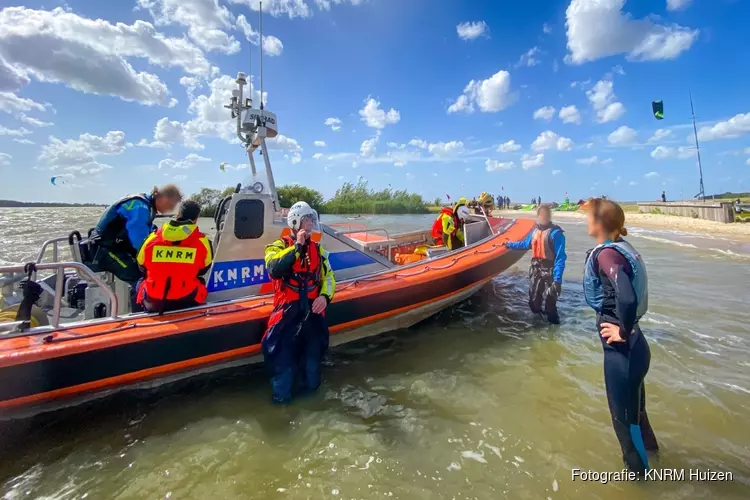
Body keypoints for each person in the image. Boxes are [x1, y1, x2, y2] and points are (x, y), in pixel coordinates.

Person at [583, 198, 658, 473]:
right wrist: (629, 331)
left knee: (626, 430)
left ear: (599, 223)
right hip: (637, 347)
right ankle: (658, 465)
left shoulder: (606, 254)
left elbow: (626, 298)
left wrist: (621, 331)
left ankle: (641, 483)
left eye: (588, 216)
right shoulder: (620, 248)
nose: (585, 221)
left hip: (622, 354)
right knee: (638, 420)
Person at [262, 201, 336, 404]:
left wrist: (325, 297)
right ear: (295, 222)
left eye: (311, 219)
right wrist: (297, 247)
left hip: (311, 313)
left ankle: (311, 402)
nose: (310, 223)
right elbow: (274, 268)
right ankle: (281, 403)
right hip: (287, 314)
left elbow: (329, 277)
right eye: (306, 219)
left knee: (312, 362)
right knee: (281, 362)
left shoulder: (319, 251)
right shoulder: (277, 247)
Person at [90, 185, 183, 289]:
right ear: (163, 197)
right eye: (172, 203)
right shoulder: (141, 208)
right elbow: (140, 241)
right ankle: (142, 303)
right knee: (139, 276)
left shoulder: (146, 204)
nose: (172, 208)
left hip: (117, 247)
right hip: (105, 249)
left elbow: (150, 234)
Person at [135, 200, 213, 313]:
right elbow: (203, 269)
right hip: (186, 299)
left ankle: (139, 314)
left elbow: (141, 265)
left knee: (141, 280)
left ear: (177, 215)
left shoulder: (152, 237)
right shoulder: (203, 241)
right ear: (196, 219)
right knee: (200, 280)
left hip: (153, 301)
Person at [504, 205, 566, 324]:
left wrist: (557, 281)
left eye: (546, 215)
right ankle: (539, 327)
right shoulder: (535, 232)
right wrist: (509, 244)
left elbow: (560, 258)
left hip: (551, 271)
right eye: (542, 215)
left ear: (549, 216)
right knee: (533, 303)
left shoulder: (556, 234)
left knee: (550, 306)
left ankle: (554, 330)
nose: (544, 217)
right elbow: (524, 244)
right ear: (538, 216)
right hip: (536, 269)